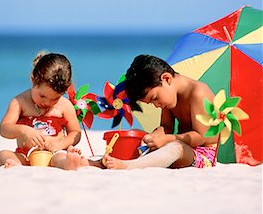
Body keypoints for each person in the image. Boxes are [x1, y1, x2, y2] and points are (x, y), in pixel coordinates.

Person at [58, 54, 218, 170]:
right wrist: (154, 136)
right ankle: (98, 163)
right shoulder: (169, 99)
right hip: (178, 145)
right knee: (139, 138)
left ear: (167, 79)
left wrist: (168, 139)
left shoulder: (198, 93)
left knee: (175, 148)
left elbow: (201, 137)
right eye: (151, 102)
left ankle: (129, 166)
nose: (156, 105)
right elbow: (166, 127)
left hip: (203, 155)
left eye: (154, 98)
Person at [0, 52, 81, 168]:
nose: (47, 103)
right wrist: (24, 130)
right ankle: (16, 165)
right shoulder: (20, 102)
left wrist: (60, 144)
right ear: (32, 80)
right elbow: (4, 128)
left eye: (55, 98)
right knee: (2, 155)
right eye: (42, 96)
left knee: (60, 158)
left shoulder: (65, 105)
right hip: (26, 155)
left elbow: (75, 133)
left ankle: (67, 163)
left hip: (53, 153)